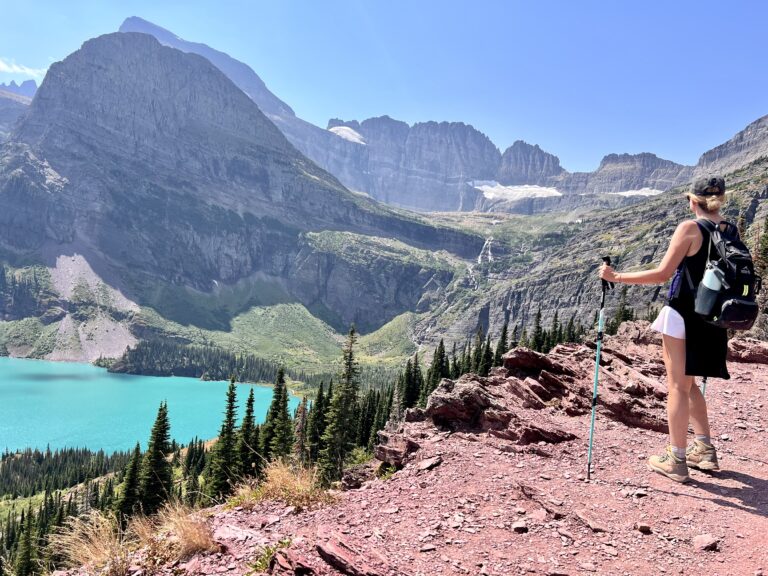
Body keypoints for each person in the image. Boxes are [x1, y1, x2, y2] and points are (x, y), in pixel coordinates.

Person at [599, 176, 731, 483]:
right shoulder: (730, 229)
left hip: (683, 315)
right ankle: (705, 450)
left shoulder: (690, 228)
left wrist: (615, 276)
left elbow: (662, 274)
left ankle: (677, 459)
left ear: (692, 200)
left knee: (677, 387)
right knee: (690, 383)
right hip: (712, 318)